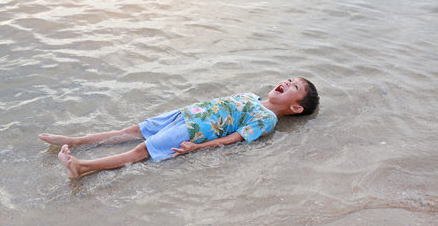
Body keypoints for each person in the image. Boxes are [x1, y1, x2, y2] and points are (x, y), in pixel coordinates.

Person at [39, 77, 319, 179]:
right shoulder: (250, 96)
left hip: (196, 131)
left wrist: (197, 146)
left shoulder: (267, 119)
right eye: (289, 78)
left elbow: (235, 137)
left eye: (293, 87)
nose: (286, 82)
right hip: (187, 114)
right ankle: (75, 141)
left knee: (141, 150)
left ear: (295, 107)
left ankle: (83, 167)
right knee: (134, 129)